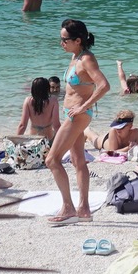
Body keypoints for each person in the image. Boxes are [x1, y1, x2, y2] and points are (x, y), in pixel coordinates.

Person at [48, 18, 108, 224]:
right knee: (78, 161)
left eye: (65, 40)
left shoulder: (86, 60)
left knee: (51, 160)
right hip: (73, 115)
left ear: (78, 40)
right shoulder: (77, 57)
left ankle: (68, 208)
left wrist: (83, 106)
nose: (61, 43)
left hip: (78, 115)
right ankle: (84, 209)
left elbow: (104, 85)